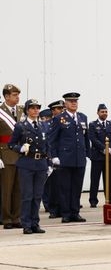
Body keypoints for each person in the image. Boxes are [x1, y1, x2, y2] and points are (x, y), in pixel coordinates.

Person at [48, 92, 90, 223]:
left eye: (75, 101)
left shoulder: (83, 117)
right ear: (65, 103)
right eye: (71, 101)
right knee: (65, 187)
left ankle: (75, 212)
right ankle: (66, 213)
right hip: (65, 158)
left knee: (77, 187)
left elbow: (85, 137)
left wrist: (87, 153)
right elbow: (52, 139)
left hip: (79, 158)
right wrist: (54, 156)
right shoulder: (59, 118)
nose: (74, 103)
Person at [9, 99, 48, 234]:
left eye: (37, 108)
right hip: (26, 164)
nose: (35, 110)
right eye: (32, 108)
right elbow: (11, 144)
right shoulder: (21, 126)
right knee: (27, 195)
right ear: (27, 110)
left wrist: (49, 162)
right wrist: (20, 148)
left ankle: (35, 223)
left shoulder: (43, 125)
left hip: (41, 164)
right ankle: (26, 224)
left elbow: (47, 145)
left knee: (37, 195)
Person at [0, 83, 23, 229]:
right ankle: (7, 219)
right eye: (14, 95)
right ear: (6, 96)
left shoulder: (21, 111)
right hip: (6, 154)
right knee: (6, 190)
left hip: (21, 154)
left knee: (18, 189)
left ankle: (16, 217)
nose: (17, 98)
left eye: (18, 95)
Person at [88, 103, 111, 207]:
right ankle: (93, 200)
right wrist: (103, 148)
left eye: (106, 111)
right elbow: (93, 138)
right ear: (98, 113)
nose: (104, 113)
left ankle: (109, 198)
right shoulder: (92, 124)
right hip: (97, 156)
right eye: (102, 112)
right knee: (95, 179)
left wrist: (109, 148)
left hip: (109, 156)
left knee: (108, 179)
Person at [43, 99, 65, 218]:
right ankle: (53, 208)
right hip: (53, 158)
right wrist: (50, 159)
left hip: (65, 157)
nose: (61, 111)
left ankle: (63, 207)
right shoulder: (47, 124)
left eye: (62, 109)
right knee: (53, 186)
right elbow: (48, 143)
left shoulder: (66, 122)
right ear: (53, 111)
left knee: (63, 185)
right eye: (58, 109)